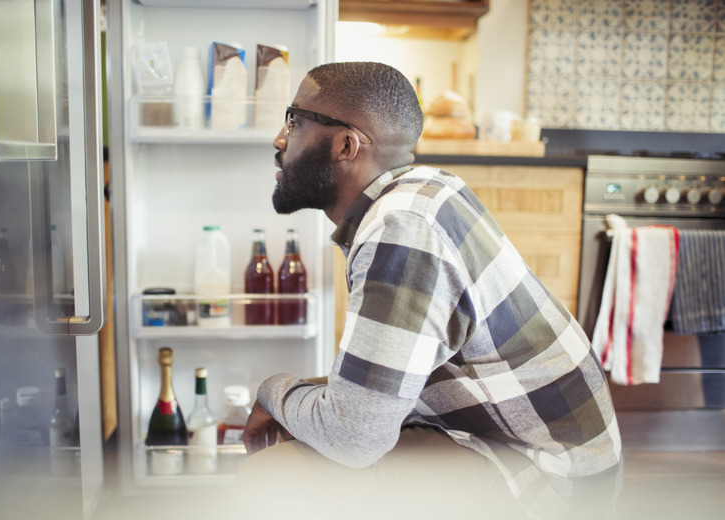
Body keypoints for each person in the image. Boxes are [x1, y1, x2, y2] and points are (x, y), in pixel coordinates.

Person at [237, 62, 622, 519]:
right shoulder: (423, 192)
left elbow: (355, 437)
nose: (281, 140)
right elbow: (375, 389)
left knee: (273, 476)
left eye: (295, 121)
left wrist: (273, 391)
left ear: (346, 144)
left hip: (551, 482)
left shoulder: (401, 228)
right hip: (523, 446)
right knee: (307, 435)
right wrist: (298, 399)